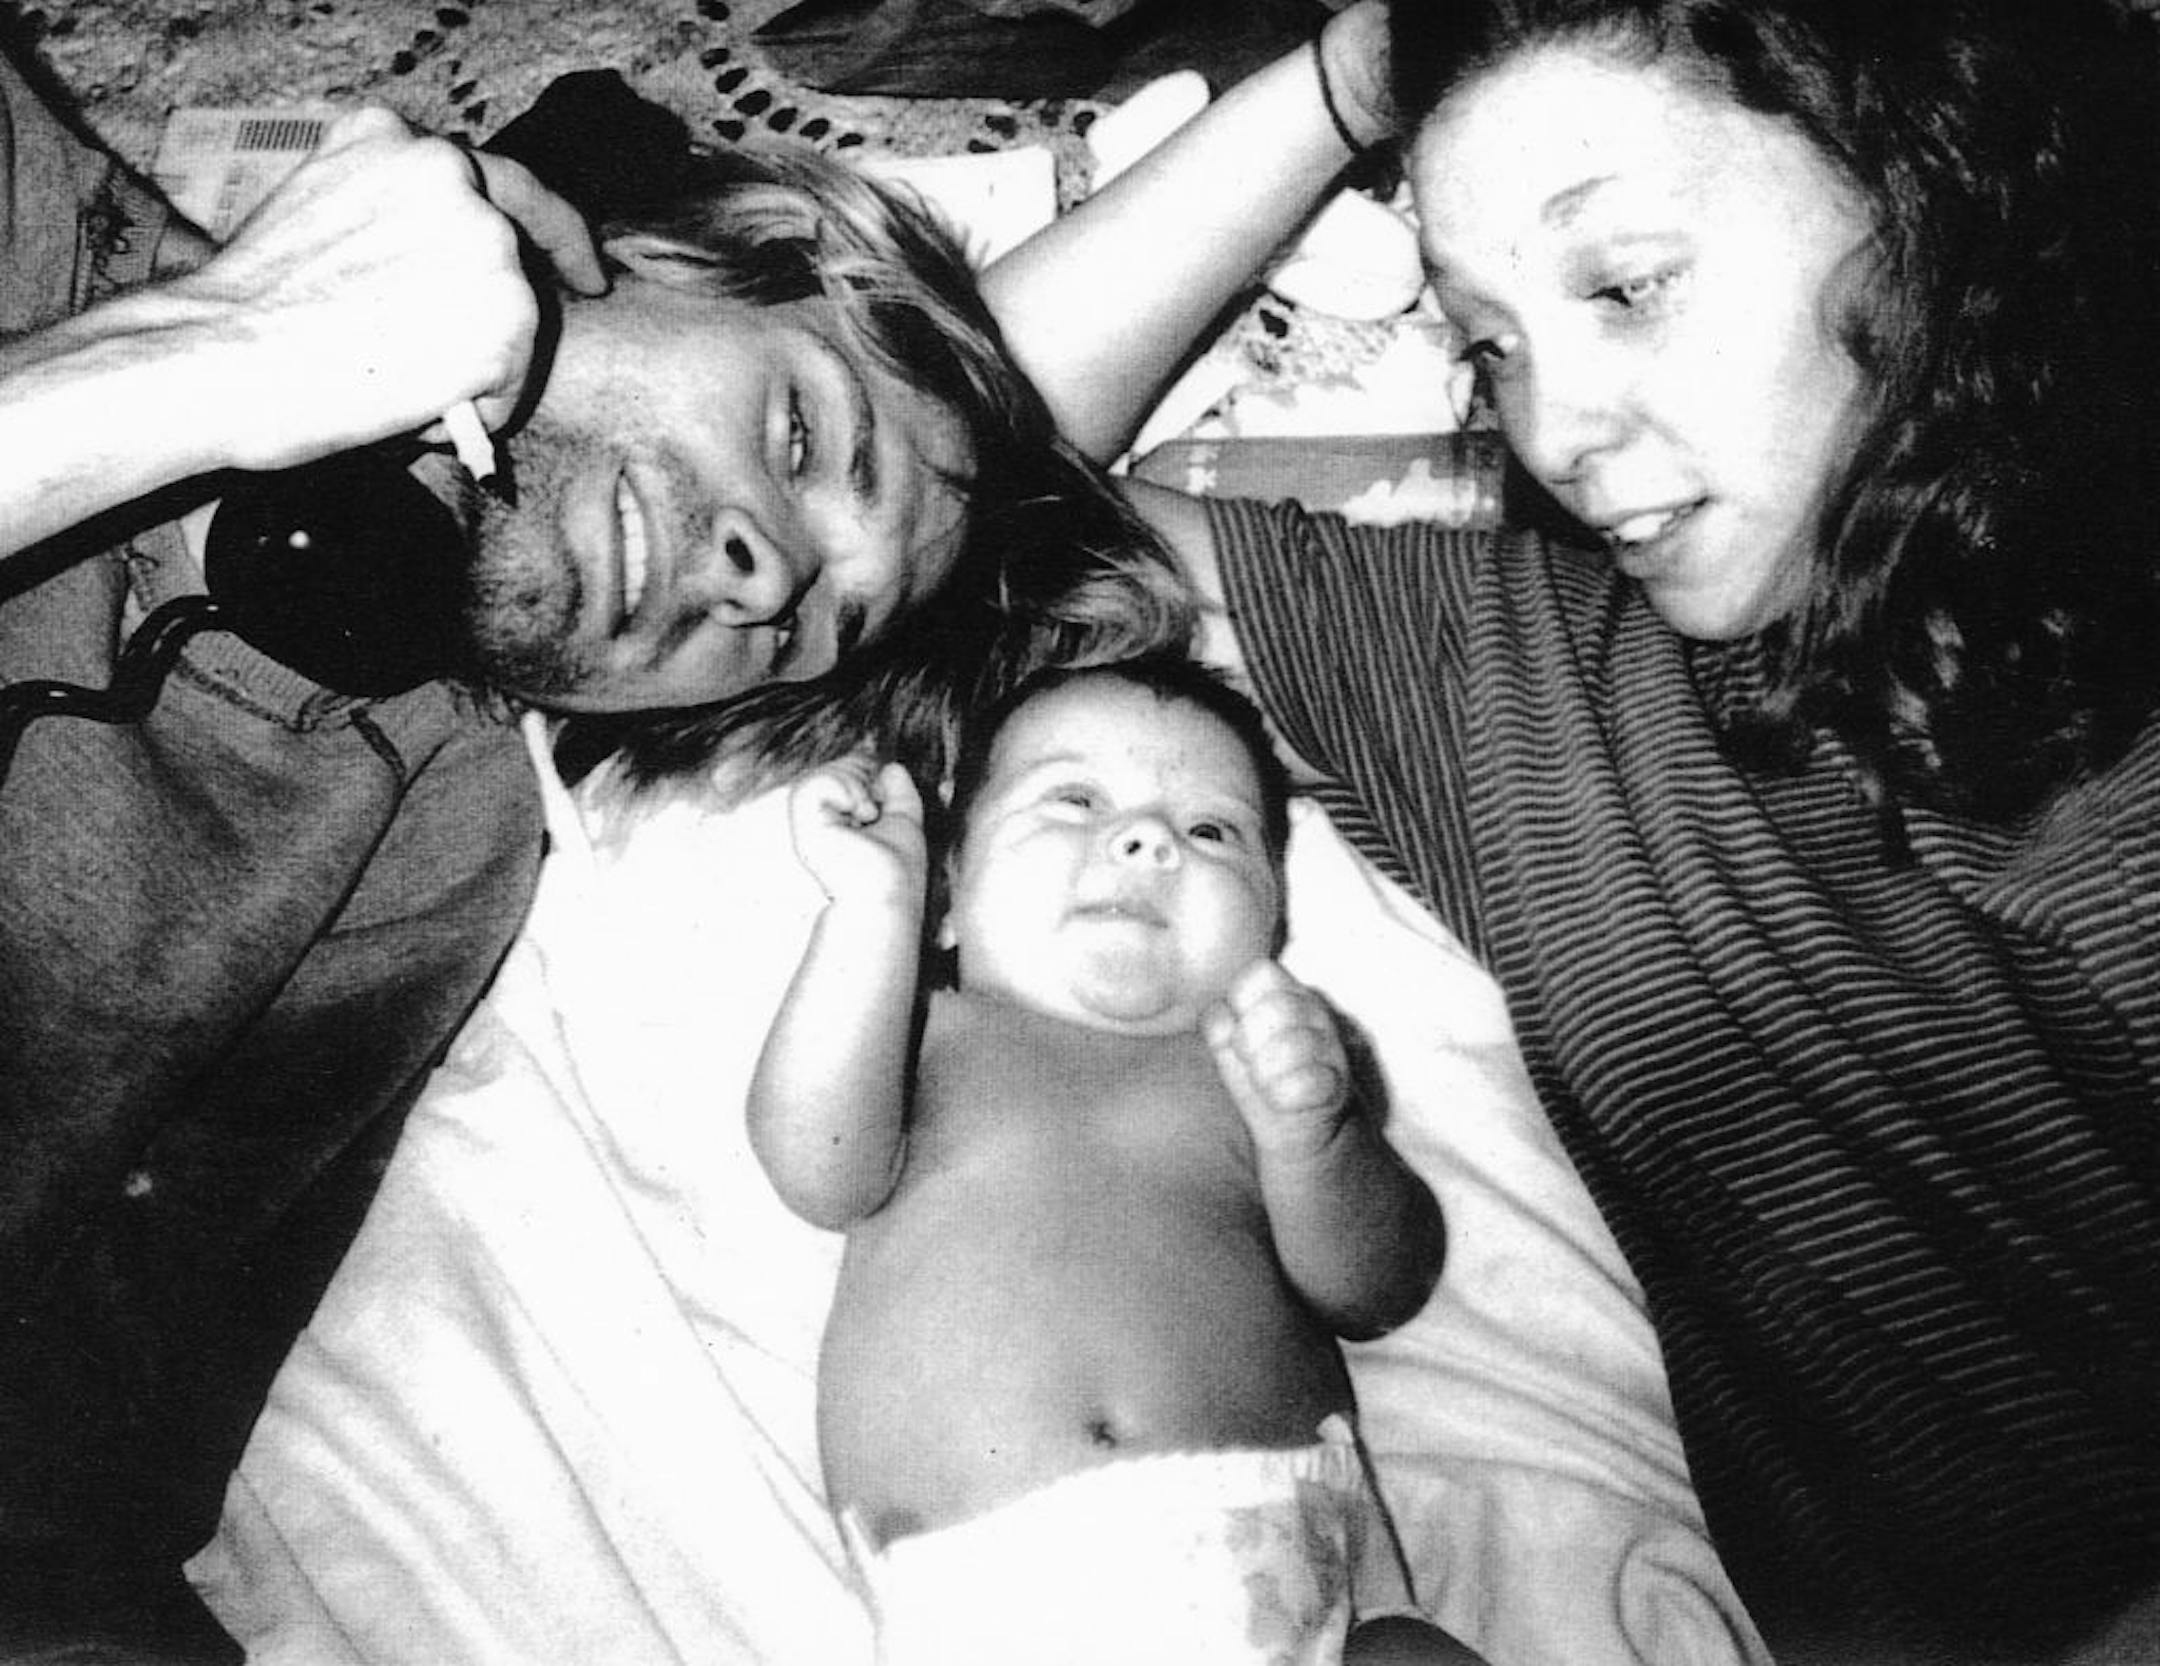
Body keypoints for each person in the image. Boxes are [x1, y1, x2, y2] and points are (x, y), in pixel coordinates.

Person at [975, 0, 2160, 1660]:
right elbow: (950, 485)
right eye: (1492, 343)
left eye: (1624, 286)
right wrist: (1346, 82)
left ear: (1927, 193)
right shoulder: (1531, 677)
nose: (1553, 431)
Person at [0, 48, 1181, 1662]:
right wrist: (202, 363)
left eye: (811, 631)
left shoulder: (433, 844)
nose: (765, 577)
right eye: (798, 428)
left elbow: (65, 1524)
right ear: (640, 257)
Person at [748, 655, 1465, 1665]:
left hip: (1294, 1589)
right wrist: (871, 915)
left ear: (1272, 920)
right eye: (1073, 798)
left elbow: (1377, 1286)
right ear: (949, 897)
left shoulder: (1269, 1070)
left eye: (1211, 829)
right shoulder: (926, 1035)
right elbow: (816, 1169)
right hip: (997, 1603)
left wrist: (1317, 1134)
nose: (1145, 840)